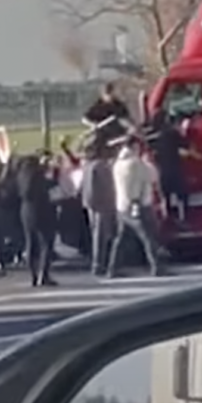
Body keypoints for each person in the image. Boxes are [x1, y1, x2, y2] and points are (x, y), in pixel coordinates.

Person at [80, 83, 131, 276]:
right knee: (102, 231)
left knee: (103, 231)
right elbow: (86, 118)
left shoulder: (119, 106)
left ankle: (104, 264)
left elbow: (127, 120)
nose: (112, 96)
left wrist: (128, 127)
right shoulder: (98, 107)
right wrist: (94, 126)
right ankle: (101, 265)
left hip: (114, 140)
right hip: (105, 140)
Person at [106, 136, 164, 278]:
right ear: (133, 147)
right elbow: (152, 177)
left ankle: (112, 269)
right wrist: (148, 162)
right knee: (148, 236)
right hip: (138, 204)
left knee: (120, 239)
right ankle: (156, 267)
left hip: (122, 205)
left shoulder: (117, 164)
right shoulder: (136, 163)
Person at [17, 153, 58, 287]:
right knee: (46, 243)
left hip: (26, 210)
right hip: (42, 210)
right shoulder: (38, 176)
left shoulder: (22, 177)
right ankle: (44, 274)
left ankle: (33, 275)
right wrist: (54, 171)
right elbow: (51, 184)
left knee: (30, 243)